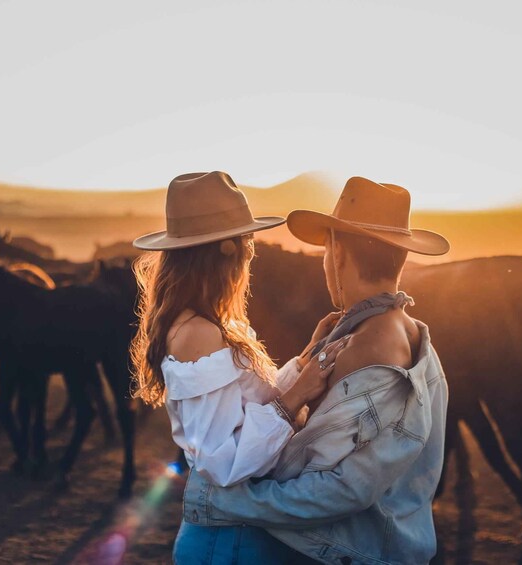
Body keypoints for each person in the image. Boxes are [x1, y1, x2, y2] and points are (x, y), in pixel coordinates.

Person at [182, 176, 451, 564]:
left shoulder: (366, 347)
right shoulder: (409, 333)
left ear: (337, 253)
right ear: (401, 256)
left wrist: (224, 500)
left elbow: (339, 491)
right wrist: (307, 358)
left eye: (326, 251)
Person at [130, 171, 347, 564]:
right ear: (229, 253)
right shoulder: (198, 333)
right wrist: (298, 394)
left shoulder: (204, 325)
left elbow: (243, 411)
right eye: (249, 243)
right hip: (228, 544)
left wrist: (304, 359)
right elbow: (223, 462)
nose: (251, 253)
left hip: (234, 538)